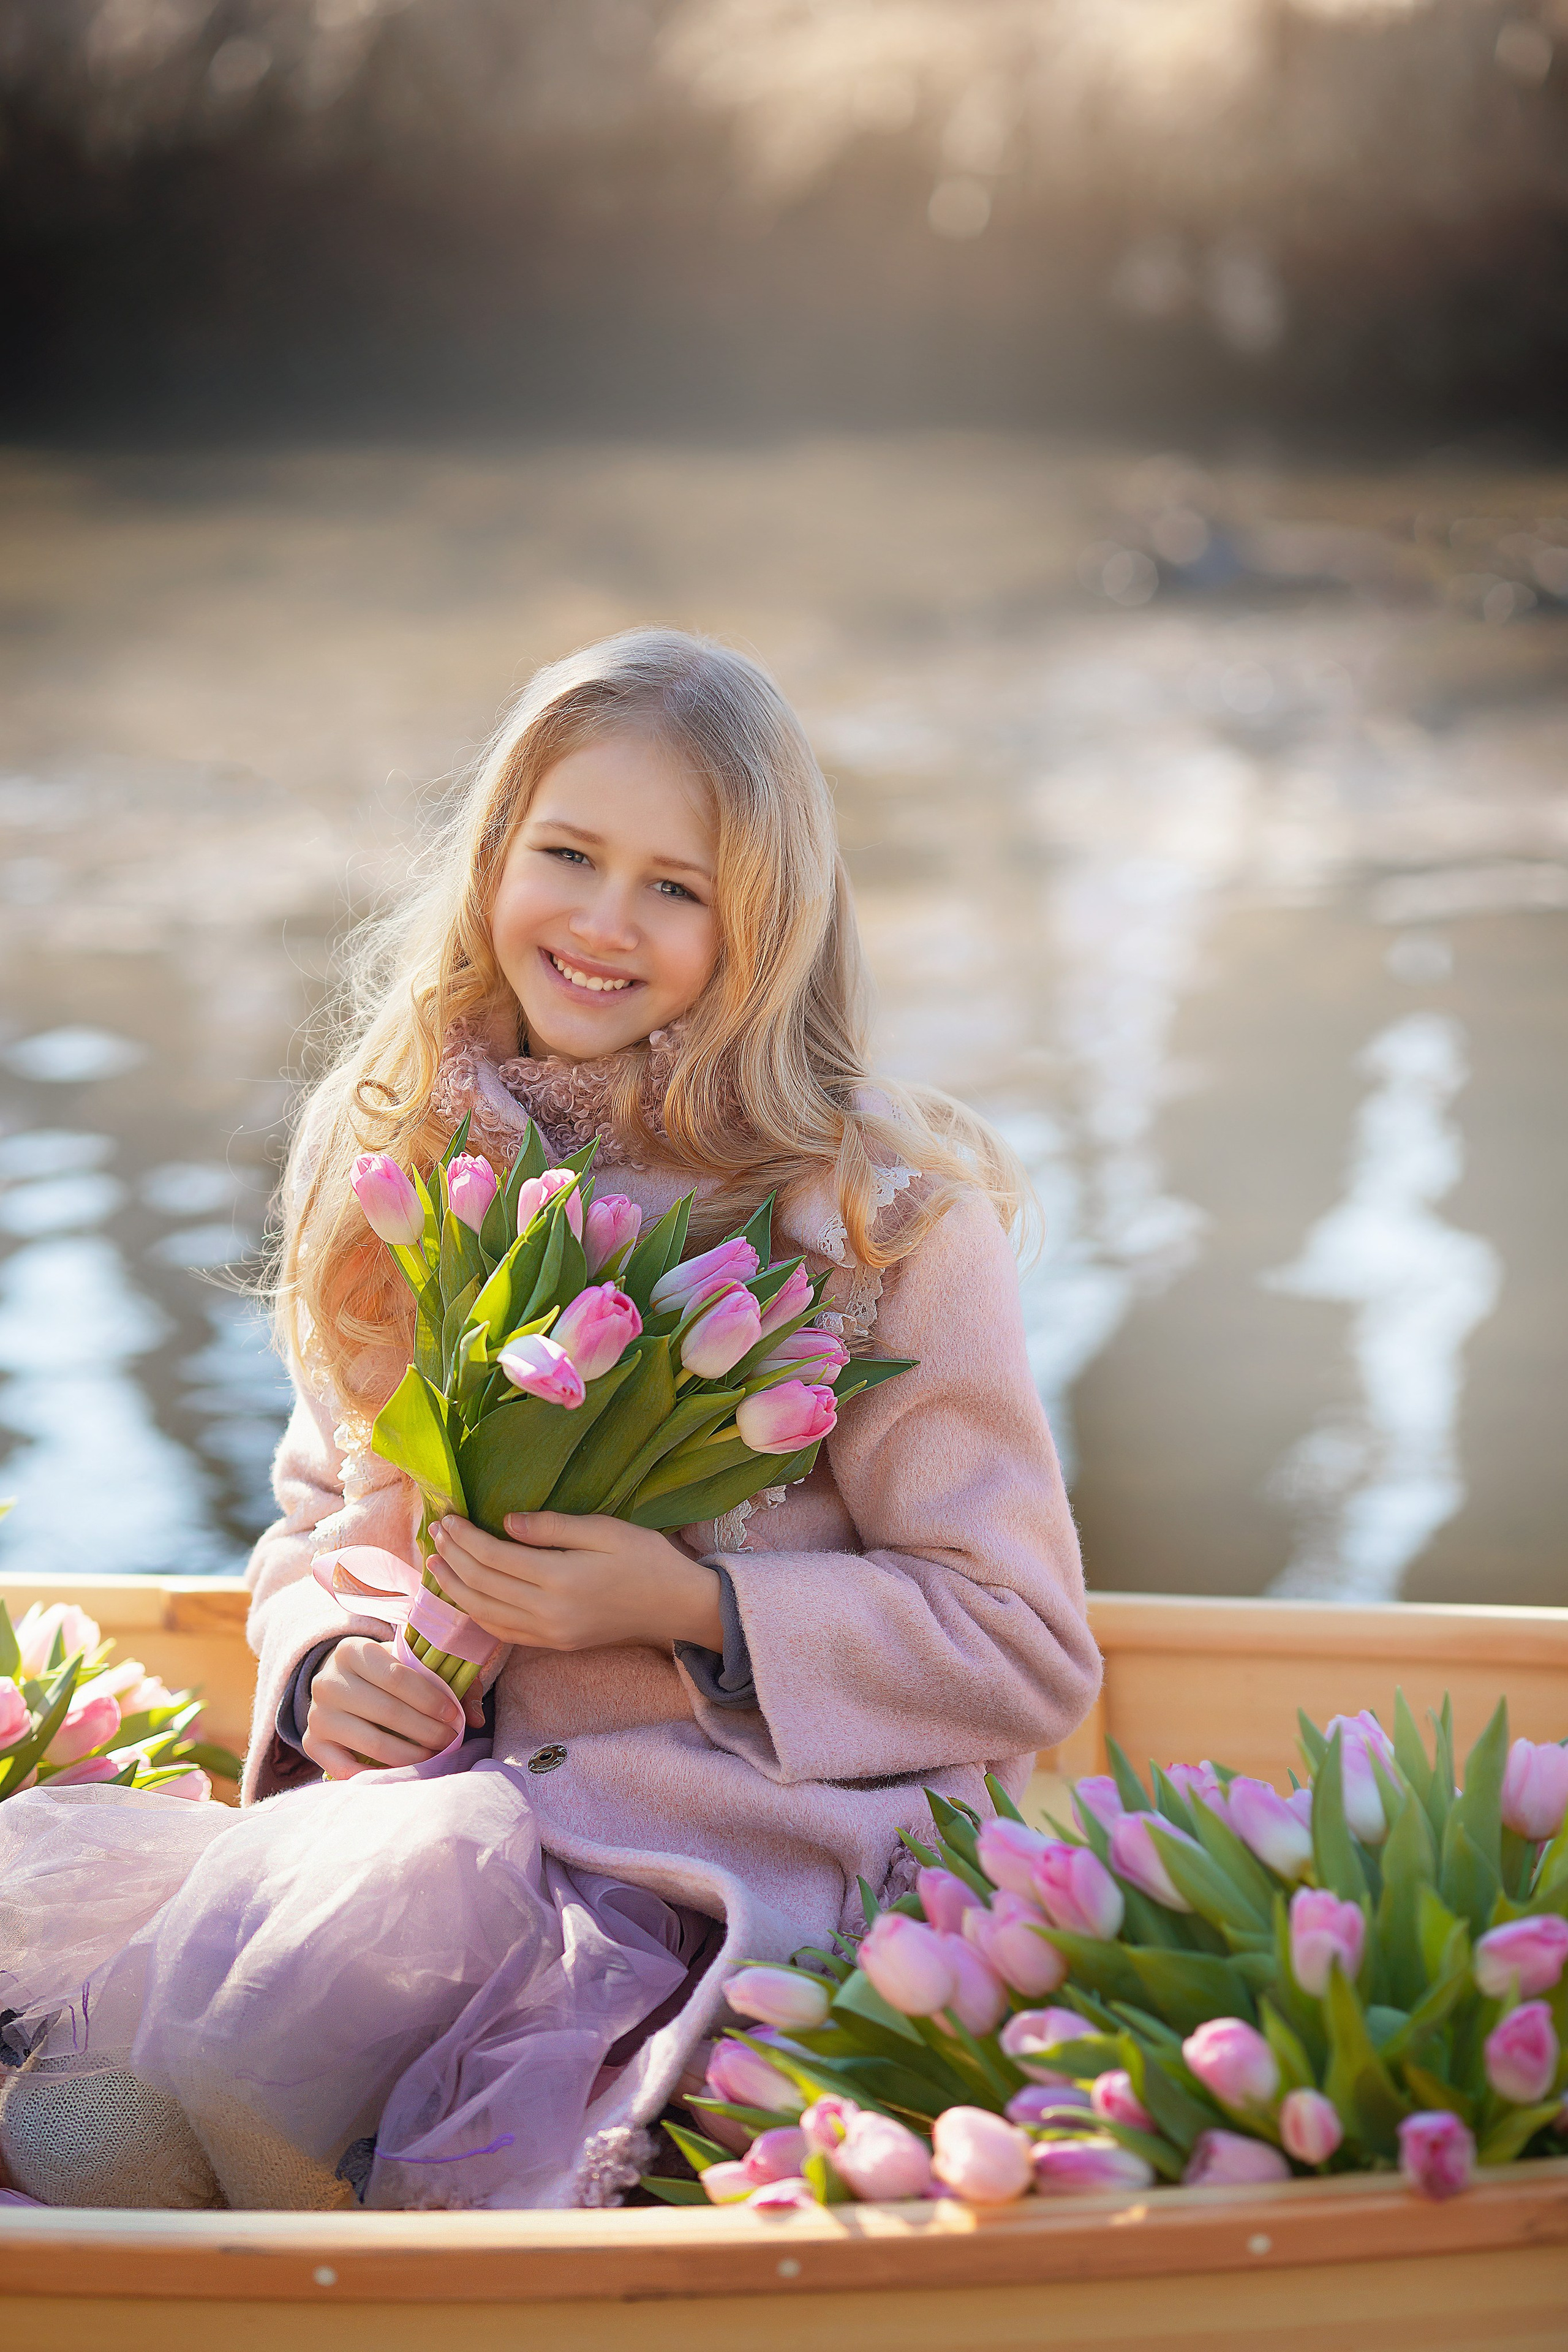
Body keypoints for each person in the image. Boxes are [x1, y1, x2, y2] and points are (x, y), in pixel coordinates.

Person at [0, 628, 1098, 2212]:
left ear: (767, 921)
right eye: (568, 854)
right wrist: (333, 1663)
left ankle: (301, 2187)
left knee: (320, 2079)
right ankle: (226, 2183)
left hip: (714, 1870)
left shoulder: (874, 1219)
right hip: (416, 1841)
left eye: (676, 885)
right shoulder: (400, 1143)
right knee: (172, 2031)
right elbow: (327, 1521)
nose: (601, 921)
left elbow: (1024, 1643)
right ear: (494, 858)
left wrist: (688, 1605)